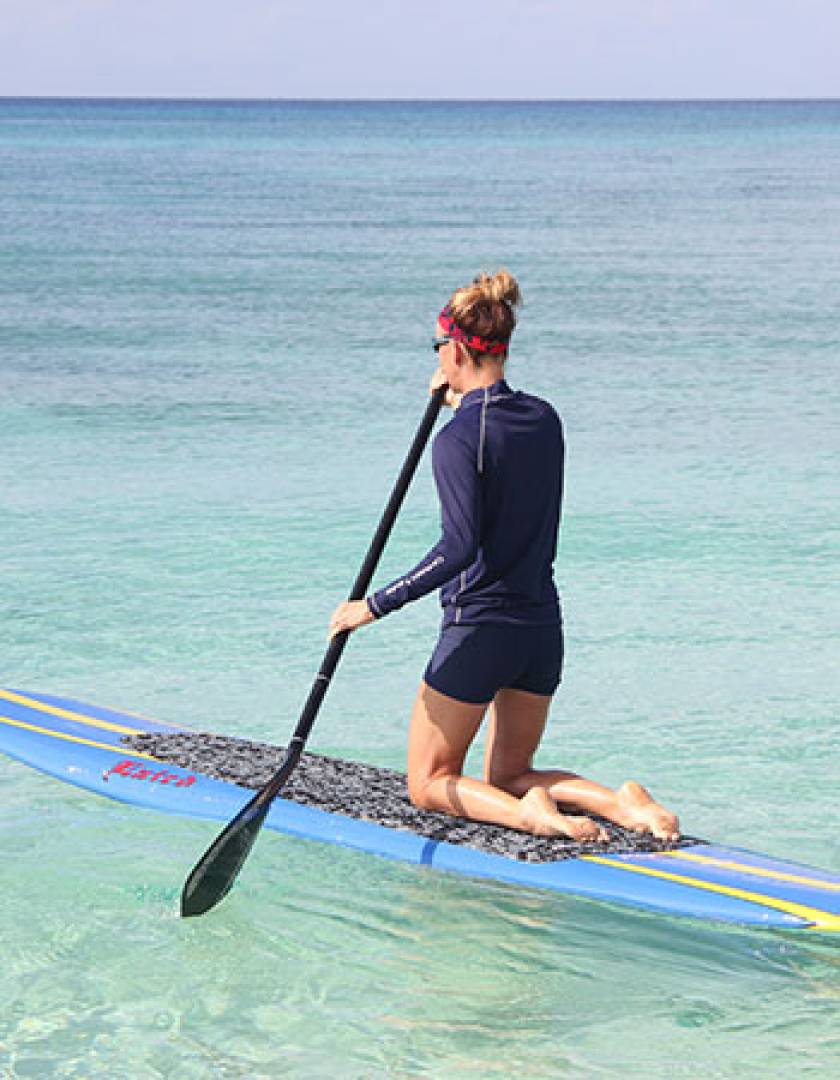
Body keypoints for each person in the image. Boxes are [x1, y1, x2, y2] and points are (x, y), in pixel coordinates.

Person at [330, 271, 679, 843]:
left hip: (480, 631)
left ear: (456, 349)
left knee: (428, 782)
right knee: (513, 773)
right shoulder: (544, 419)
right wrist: (462, 402)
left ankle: (530, 816)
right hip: (540, 627)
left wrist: (374, 605)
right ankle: (621, 804)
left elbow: (459, 547)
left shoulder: (458, 440)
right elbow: (504, 450)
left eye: (439, 346)